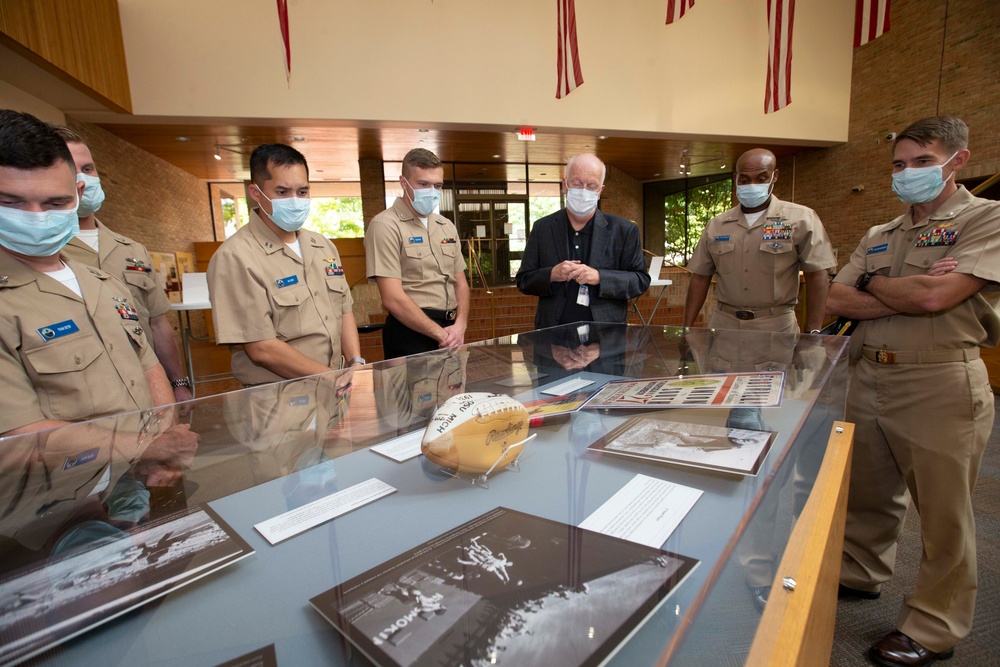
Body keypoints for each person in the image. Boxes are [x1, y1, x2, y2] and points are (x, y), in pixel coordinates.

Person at [827, 116, 999, 667]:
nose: (907, 174)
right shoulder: (880, 234)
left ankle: (934, 625)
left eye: (922, 162)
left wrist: (873, 285)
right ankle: (861, 571)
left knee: (944, 511)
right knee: (867, 492)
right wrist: (904, 289)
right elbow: (835, 299)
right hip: (870, 373)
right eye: (899, 165)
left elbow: (935, 298)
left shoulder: (986, 218)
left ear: (957, 160)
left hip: (939, 381)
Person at [0, 109, 174, 437]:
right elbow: (19, 435)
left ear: (77, 196)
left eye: (54, 203)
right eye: (13, 203)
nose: (36, 217)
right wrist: (147, 450)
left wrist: (164, 435)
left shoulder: (104, 284)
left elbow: (148, 367)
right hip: (64, 485)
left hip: (134, 476)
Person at [49, 125, 193, 403]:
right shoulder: (44, 251)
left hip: (149, 390)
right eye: (73, 170)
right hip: (87, 399)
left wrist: (178, 382)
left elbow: (157, 323)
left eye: (89, 169)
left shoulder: (131, 249)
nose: (84, 180)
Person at [207, 143, 363, 386]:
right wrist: (332, 378)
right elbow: (261, 348)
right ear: (256, 193)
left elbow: (344, 310)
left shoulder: (322, 246)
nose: (295, 201)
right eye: (282, 192)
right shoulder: (236, 257)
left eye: (302, 192)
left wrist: (356, 363)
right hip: (280, 398)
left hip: (334, 387)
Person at [683, 148, 836, 333]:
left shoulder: (801, 219)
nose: (752, 185)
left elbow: (817, 275)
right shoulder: (717, 225)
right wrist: (687, 329)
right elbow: (700, 278)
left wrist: (814, 332)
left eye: (761, 178)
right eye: (745, 179)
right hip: (724, 325)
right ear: (736, 178)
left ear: (775, 176)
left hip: (776, 326)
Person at [516, 154, 649, 328]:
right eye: (577, 184)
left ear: (600, 191)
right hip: (552, 340)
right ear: (565, 185)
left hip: (606, 341)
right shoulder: (543, 228)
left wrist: (600, 277)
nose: (584, 191)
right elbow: (524, 280)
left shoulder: (624, 231)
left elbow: (640, 280)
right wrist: (552, 274)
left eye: (591, 186)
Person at [365, 148, 469, 359]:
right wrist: (442, 335)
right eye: (423, 184)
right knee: (413, 393)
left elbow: (461, 283)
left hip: (452, 331)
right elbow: (392, 298)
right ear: (404, 183)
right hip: (410, 333)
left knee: (455, 392)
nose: (431, 191)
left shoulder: (445, 225)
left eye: (437, 185)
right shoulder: (385, 225)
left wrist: (460, 325)